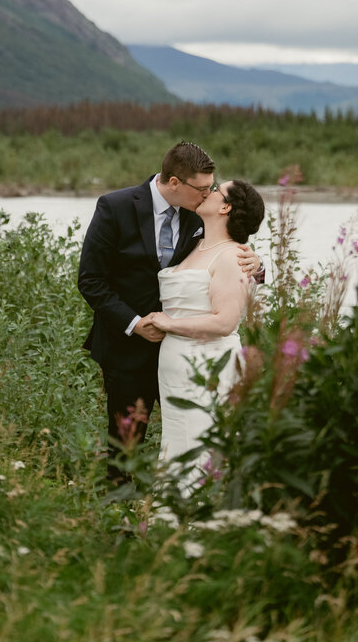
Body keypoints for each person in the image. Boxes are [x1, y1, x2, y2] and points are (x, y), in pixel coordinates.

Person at [78, 141, 261, 482]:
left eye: (212, 188)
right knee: (125, 447)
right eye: (202, 188)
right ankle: (120, 521)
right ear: (175, 182)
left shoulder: (199, 213)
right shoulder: (115, 207)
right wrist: (134, 324)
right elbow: (91, 280)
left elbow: (226, 253)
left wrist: (259, 265)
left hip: (189, 352)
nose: (208, 195)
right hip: (127, 347)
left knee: (196, 434)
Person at [148, 178, 265, 487]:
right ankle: (170, 523)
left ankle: (198, 524)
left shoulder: (233, 256)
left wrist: (168, 323)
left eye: (215, 190)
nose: (206, 192)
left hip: (208, 365)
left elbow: (225, 322)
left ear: (225, 206)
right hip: (175, 365)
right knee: (177, 444)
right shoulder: (194, 239)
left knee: (201, 444)